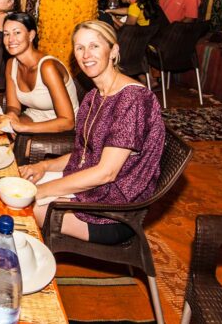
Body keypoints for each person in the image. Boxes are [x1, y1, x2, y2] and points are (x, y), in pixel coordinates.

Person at [19, 20, 164, 245]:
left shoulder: (133, 99)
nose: (86, 54)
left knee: (23, 207)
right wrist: (43, 166)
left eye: (94, 46)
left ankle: (24, 271)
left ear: (113, 51)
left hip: (113, 212)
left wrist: (40, 190)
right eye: (80, 47)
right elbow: (85, 154)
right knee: (17, 182)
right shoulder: (94, 96)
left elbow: (106, 173)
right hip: (94, 190)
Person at [3, 12, 78, 133]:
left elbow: (68, 122)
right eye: (6, 34)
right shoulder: (11, 64)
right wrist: (12, 115)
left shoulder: (48, 67)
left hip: (62, 126)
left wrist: (23, 128)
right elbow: (14, 106)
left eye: (17, 32)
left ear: (31, 35)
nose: (10, 39)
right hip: (34, 116)